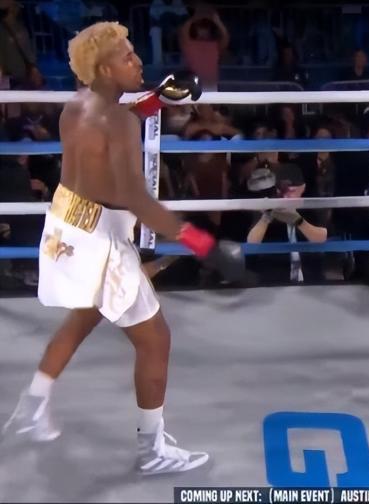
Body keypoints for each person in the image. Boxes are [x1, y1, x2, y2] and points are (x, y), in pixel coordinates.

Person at [1, 22, 244, 475]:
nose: (138, 61)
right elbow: (138, 200)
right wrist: (204, 245)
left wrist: (158, 99)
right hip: (101, 238)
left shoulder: (78, 106)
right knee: (155, 339)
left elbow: (115, 120)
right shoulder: (119, 122)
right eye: (127, 56)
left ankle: (32, 404)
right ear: (105, 69)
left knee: (86, 315)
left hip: (67, 224)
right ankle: (151, 449)